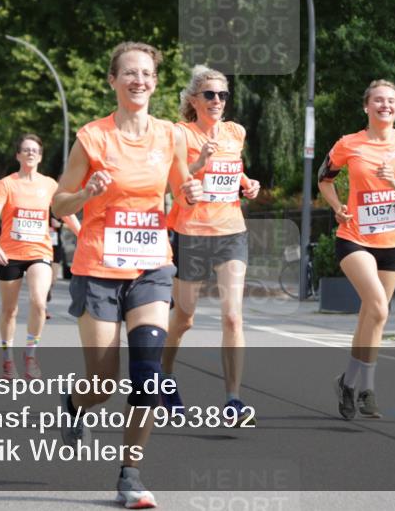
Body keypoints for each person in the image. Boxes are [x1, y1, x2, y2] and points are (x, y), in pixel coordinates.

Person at [52, 42, 202, 509]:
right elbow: (58, 202)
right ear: (113, 80)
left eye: (147, 74)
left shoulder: (170, 135)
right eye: (130, 73)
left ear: (155, 82)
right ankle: (74, 405)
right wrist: (86, 193)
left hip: (151, 267)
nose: (139, 80)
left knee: (146, 374)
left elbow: (181, 189)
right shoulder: (92, 138)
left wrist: (192, 192)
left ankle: (130, 474)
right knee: (102, 380)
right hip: (98, 268)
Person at [317, 79, 395, 420]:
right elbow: (324, 178)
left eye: (391, 101)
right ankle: (366, 388)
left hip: (393, 243)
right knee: (379, 308)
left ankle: (349, 384)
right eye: (378, 100)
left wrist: (394, 182)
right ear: (366, 106)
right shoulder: (349, 144)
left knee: (372, 315)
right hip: (355, 238)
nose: (385, 105)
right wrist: (337, 206)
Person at [160, 66, 261, 426]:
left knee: (233, 316)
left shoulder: (236, 132)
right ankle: (164, 376)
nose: (217, 100)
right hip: (191, 233)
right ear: (193, 99)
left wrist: (247, 184)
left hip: (231, 232)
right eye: (209, 95)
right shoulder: (180, 133)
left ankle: (234, 400)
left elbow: (232, 169)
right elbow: (172, 184)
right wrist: (199, 162)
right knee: (184, 318)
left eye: (222, 95)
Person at [0, 135, 80, 380]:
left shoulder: (49, 184)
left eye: (34, 150)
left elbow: (65, 212)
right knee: (10, 310)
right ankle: (7, 359)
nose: (30, 153)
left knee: (39, 302)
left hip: (40, 252)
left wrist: (83, 235)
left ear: (40, 156)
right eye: (26, 150)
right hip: (9, 253)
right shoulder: (7, 183)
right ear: (18, 155)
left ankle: (30, 355)